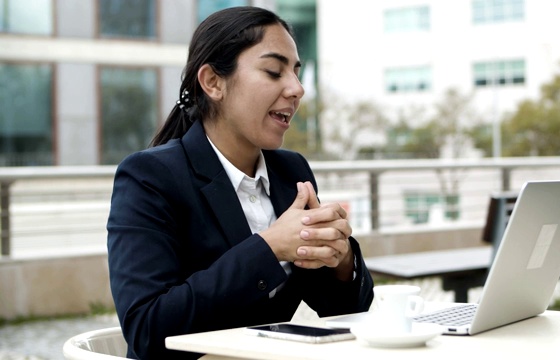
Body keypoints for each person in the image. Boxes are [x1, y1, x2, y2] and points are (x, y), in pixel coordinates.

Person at [106, 6, 374, 360]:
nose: (297, 89)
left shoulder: (291, 172)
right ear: (213, 82)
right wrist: (269, 248)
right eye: (273, 71)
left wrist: (340, 262)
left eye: (296, 73)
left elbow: (340, 310)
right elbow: (147, 330)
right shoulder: (148, 177)